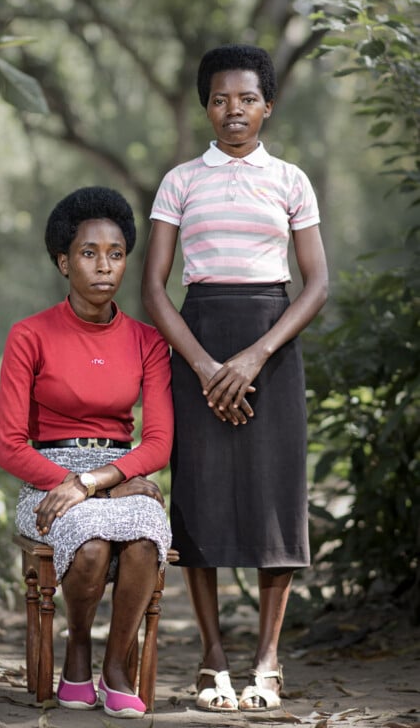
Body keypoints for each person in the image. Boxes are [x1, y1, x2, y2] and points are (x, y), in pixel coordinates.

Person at [141, 44, 328, 713]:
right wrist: (203, 365)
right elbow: (155, 290)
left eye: (247, 98)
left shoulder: (290, 181)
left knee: (274, 498)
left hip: (272, 346)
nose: (233, 110)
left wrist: (253, 357)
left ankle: (268, 661)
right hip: (199, 343)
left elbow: (316, 284)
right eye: (220, 99)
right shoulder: (180, 181)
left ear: (268, 105)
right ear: (206, 106)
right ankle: (212, 657)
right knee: (204, 497)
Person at [0, 186, 173, 719]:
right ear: (62, 261)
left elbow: (159, 441)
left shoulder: (147, 340)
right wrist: (71, 483)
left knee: (145, 533)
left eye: (116, 254)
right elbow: (8, 445)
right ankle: (77, 653)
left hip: (117, 473)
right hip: (46, 478)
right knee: (90, 542)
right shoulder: (29, 335)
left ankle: (114, 667)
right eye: (88, 253)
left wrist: (99, 481)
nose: (104, 266)